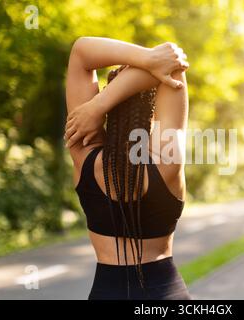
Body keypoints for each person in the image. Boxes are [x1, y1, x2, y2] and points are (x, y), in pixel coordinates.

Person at [64, 37, 190, 299]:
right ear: (152, 113)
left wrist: (96, 106)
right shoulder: (166, 159)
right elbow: (173, 65)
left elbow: (81, 52)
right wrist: (103, 102)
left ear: (109, 113)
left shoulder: (84, 154)